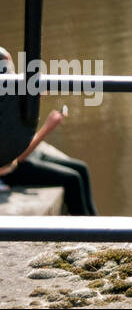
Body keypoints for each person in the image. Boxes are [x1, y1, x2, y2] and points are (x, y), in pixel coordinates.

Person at [0, 48, 98, 215]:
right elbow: (14, 158)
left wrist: (32, 100)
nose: (12, 74)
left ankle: (98, 226)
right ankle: (87, 233)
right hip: (12, 169)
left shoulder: (9, 95)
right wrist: (48, 127)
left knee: (82, 169)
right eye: (7, 70)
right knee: (72, 179)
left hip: (28, 154)